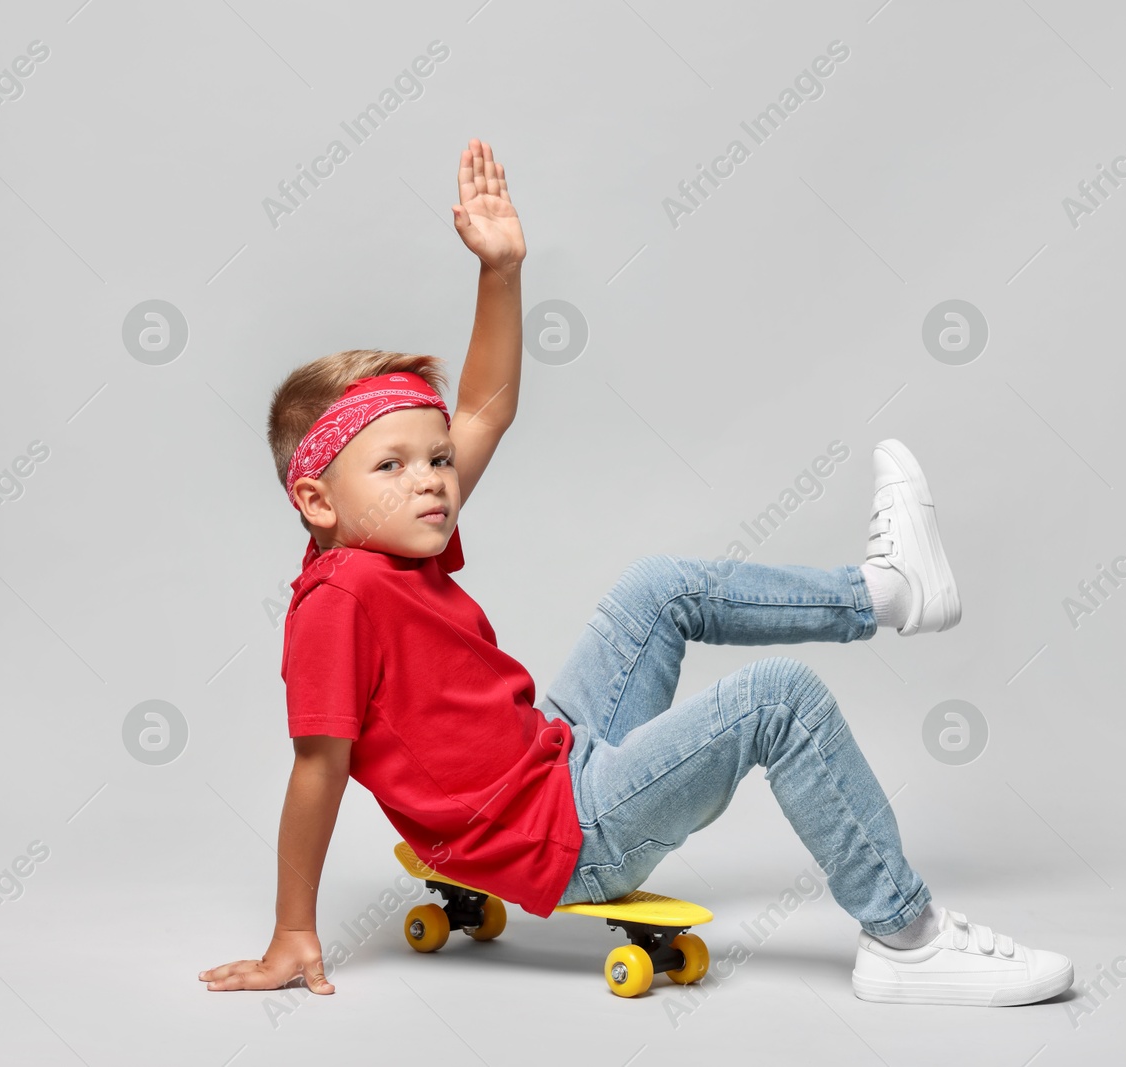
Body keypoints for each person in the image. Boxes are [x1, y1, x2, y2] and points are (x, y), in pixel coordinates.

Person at [198, 138, 1073, 1007]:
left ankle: (885, 592)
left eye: (434, 459)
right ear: (317, 501)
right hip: (566, 838)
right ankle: (905, 937)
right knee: (778, 699)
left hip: (555, 765)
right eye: (391, 467)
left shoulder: (386, 543)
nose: (431, 478)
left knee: (658, 586)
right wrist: (294, 931)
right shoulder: (340, 595)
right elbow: (318, 765)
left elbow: (484, 408)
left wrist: (500, 270)